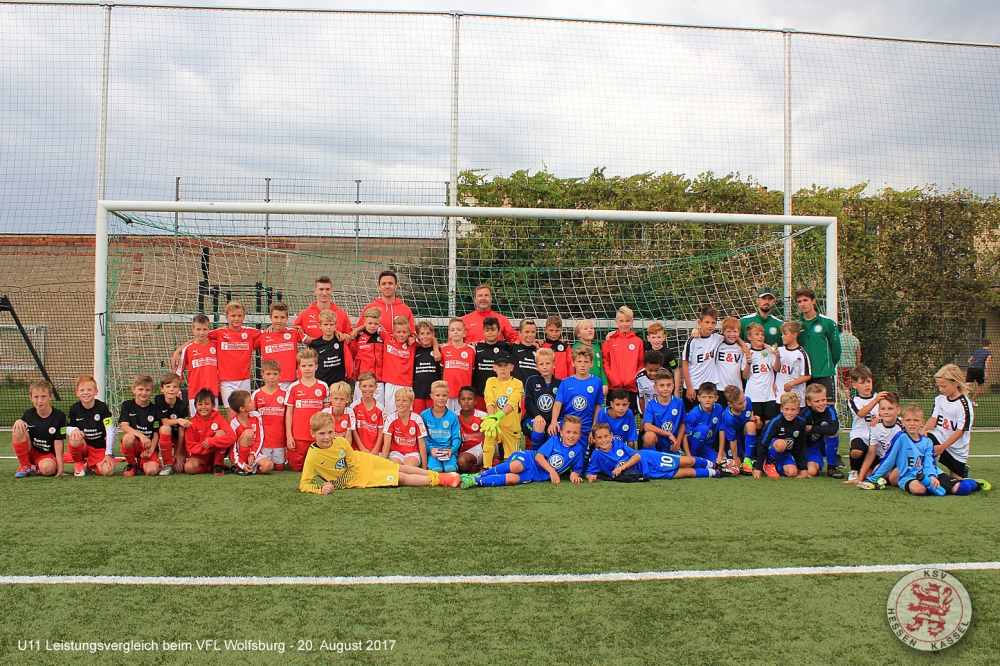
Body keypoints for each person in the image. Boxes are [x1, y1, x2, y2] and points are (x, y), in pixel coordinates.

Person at [299, 412, 460, 493]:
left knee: (399, 467)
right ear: (313, 434)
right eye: (322, 434)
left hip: (365, 461)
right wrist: (320, 489)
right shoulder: (312, 456)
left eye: (330, 432)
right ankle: (441, 480)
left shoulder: (341, 442)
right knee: (401, 478)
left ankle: (440, 476)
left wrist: (335, 484)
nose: (327, 437)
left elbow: (353, 465)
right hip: (362, 478)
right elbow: (305, 484)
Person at [858, 403, 989, 496]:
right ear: (903, 422)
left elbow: (929, 463)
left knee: (960, 490)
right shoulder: (900, 438)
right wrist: (872, 479)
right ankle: (936, 488)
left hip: (930, 473)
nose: (912, 423)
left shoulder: (927, 442)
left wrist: (932, 476)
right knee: (918, 489)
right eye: (908, 420)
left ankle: (976, 484)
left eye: (916, 420)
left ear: (922, 422)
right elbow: (889, 460)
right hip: (908, 477)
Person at [459, 415, 586, 488]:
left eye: (575, 433)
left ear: (580, 435)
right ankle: (480, 474)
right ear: (561, 432)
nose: (571, 436)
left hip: (535, 475)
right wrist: (552, 472)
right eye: (568, 432)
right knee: (516, 466)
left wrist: (575, 474)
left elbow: (577, 468)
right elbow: (539, 457)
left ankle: (474, 481)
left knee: (513, 479)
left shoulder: (578, 450)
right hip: (529, 459)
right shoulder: (554, 440)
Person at [585, 422, 725, 482]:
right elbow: (589, 472)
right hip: (647, 472)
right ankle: (718, 472)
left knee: (687, 461)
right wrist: (590, 477)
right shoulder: (597, 455)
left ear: (611, 435)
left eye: (606, 436)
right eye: (599, 438)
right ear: (594, 440)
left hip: (649, 458)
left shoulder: (617, 443)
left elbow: (637, 456)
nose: (603, 440)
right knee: (687, 472)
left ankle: (715, 464)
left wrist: (622, 467)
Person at [206, 301, 261, 417]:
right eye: (233, 315)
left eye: (239, 315)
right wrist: (178, 351)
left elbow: (269, 334)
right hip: (226, 381)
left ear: (244, 316)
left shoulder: (250, 332)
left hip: (244, 379)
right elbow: (199, 337)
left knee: (245, 414)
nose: (236, 318)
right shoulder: (219, 333)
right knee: (232, 416)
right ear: (226, 316)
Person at [923, 364, 975, 480]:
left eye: (944, 386)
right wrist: (924, 430)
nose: (941, 389)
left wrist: (942, 447)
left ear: (955, 383)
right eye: (939, 386)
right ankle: (926, 473)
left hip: (956, 448)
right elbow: (934, 418)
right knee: (921, 441)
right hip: (939, 437)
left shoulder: (963, 404)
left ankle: (965, 473)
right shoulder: (940, 398)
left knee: (957, 481)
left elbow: (960, 431)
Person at [794, 286, 841, 406]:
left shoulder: (827, 323)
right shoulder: (797, 326)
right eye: (799, 301)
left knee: (827, 408)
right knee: (806, 409)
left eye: (806, 300)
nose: (803, 304)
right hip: (804, 376)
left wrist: (827, 366)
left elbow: (836, 350)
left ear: (813, 301)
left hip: (823, 374)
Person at [284, 348, 329, 472]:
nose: (307, 368)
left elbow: (326, 414)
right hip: (298, 437)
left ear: (316, 366)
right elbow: (289, 413)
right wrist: (289, 436)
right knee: (296, 468)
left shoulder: (323, 386)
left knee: (318, 468)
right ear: (299, 367)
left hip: (317, 437)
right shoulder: (293, 387)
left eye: (310, 365)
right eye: (304, 366)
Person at [12, 379, 67, 478]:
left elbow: (59, 441)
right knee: (18, 428)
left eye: (43, 396)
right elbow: (22, 433)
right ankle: (25, 466)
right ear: (31, 398)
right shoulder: (28, 414)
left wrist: (61, 467)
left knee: (48, 470)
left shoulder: (59, 416)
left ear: (51, 397)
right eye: (36, 397)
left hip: (46, 455)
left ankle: (35, 467)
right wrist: (18, 421)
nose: (40, 401)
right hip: (31, 451)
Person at [549, 346, 604, 442]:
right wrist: (554, 421)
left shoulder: (596, 382)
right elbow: (558, 403)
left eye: (586, 362)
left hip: (586, 426)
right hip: (567, 423)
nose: (582, 365)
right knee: (552, 432)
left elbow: (598, 406)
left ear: (591, 363)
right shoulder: (565, 382)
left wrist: (594, 427)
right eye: (579, 361)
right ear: (573, 363)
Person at [66, 374, 116, 477]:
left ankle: (89, 464)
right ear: (77, 393)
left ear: (96, 392)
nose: (86, 392)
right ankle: (79, 463)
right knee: (75, 438)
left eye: (89, 389)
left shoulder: (102, 408)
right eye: (82, 390)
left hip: (98, 447)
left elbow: (110, 429)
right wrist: (73, 430)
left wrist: (108, 454)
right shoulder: (74, 409)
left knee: (108, 471)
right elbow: (66, 428)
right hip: (83, 446)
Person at [753, 391, 809, 479]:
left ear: (798, 410)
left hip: (785, 453)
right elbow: (763, 442)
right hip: (772, 450)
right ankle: (768, 463)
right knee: (781, 443)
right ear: (781, 409)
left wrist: (803, 468)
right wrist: (758, 468)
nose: (789, 413)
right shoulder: (775, 422)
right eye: (786, 409)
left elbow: (801, 446)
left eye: (793, 409)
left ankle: (776, 467)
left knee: (792, 473)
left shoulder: (801, 423)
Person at [850, 391, 902, 484]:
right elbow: (871, 454)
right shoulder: (875, 427)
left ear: (898, 410)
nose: (886, 412)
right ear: (878, 410)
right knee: (869, 475)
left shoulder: (903, 426)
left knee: (893, 479)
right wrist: (860, 478)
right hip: (883, 460)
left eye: (890, 408)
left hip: (899, 462)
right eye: (883, 409)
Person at [482, 353, 524, 466]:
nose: (502, 368)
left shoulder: (517, 383)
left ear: (511, 367)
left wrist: (499, 416)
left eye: (506, 365)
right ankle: (486, 467)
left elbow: (513, 403)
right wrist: (492, 418)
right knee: (489, 431)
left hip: (511, 427)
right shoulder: (491, 381)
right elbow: (489, 400)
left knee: (513, 463)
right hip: (497, 424)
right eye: (499, 365)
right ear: (494, 368)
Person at [183, 388, 236, 476]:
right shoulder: (192, 423)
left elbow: (232, 437)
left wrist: (212, 442)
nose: (203, 407)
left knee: (221, 433)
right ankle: (210, 467)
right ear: (195, 406)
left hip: (217, 453)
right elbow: (190, 447)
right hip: (200, 455)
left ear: (213, 405)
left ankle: (218, 464)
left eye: (207, 404)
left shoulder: (219, 418)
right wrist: (208, 446)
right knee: (189, 468)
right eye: (200, 404)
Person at [174, 314, 219, 415]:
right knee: (196, 421)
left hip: (212, 391)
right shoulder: (187, 349)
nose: (201, 333)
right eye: (198, 329)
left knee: (213, 421)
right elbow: (179, 371)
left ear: (209, 329)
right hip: (195, 392)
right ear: (193, 330)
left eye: (204, 329)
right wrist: (177, 389)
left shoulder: (216, 345)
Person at [602, 306, 645, 412]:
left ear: (632, 321)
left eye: (627, 321)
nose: (624, 324)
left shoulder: (638, 342)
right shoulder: (609, 340)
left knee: (629, 416)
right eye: (621, 321)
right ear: (616, 321)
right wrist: (611, 377)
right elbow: (605, 361)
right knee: (612, 415)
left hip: (631, 388)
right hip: (614, 387)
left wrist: (633, 378)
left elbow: (641, 363)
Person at [119, 374, 161, 477]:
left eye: (147, 390)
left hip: (148, 445)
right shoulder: (127, 405)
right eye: (140, 389)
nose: (144, 393)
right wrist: (141, 436)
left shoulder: (155, 409)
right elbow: (125, 426)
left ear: (152, 390)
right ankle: (132, 464)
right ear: (133, 389)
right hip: (135, 443)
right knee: (128, 438)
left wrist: (151, 451)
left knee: (151, 471)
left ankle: (143, 462)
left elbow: (156, 433)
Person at [257, 302, 305, 391]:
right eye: (276, 317)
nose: (279, 321)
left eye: (282, 317)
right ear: (270, 318)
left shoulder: (294, 333)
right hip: (271, 381)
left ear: (287, 318)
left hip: (291, 382)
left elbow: (312, 341)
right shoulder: (263, 335)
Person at [846, 365, 882, 480]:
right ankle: (854, 470)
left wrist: (880, 419)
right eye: (862, 383)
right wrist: (875, 401)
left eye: (869, 381)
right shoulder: (853, 400)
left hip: (876, 437)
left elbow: (887, 413)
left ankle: (866, 469)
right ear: (854, 385)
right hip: (860, 434)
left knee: (870, 475)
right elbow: (861, 413)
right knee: (856, 452)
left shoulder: (879, 397)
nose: (867, 385)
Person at [682, 306, 722, 410]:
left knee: (710, 415)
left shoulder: (717, 338)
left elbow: (732, 335)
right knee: (692, 416)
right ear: (700, 322)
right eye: (707, 322)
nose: (710, 325)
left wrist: (744, 346)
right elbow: (685, 365)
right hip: (694, 387)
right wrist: (689, 387)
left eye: (713, 323)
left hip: (710, 386)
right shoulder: (692, 341)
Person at [353, 270, 416, 336]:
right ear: (379, 287)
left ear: (396, 286)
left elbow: (412, 333)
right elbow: (359, 331)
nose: (387, 286)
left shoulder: (405, 309)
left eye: (390, 283)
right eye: (384, 284)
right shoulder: (370, 308)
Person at [252, 359, 288, 471]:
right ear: (262, 375)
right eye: (268, 374)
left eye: (275, 374)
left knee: (279, 468)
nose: (272, 377)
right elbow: (252, 417)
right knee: (266, 466)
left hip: (279, 441)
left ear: (280, 375)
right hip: (264, 441)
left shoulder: (285, 393)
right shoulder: (257, 394)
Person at [228, 390, 274, 475]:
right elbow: (232, 449)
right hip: (238, 456)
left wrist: (253, 454)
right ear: (242, 408)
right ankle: (240, 466)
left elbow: (259, 438)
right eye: (250, 401)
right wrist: (241, 463)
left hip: (253, 452)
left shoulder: (256, 415)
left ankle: (249, 468)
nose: (253, 401)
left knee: (269, 466)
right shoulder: (233, 423)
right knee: (248, 433)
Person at [292, 275, 352, 340]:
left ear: (332, 290)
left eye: (327, 289)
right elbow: (293, 333)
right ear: (315, 290)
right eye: (321, 289)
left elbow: (351, 337)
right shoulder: (305, 314)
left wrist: (345, 337)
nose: (324, 293)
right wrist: (307, 340)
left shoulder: (342, 315)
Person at [801, 383, 841, 478]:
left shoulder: (830, 410)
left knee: (832, 434)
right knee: (812, 472)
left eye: (823, 400)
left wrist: (812, 428)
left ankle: (831, 467)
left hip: (822, 443)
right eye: (817, 401)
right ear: (809, 402)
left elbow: (833, 428)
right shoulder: (804, 413)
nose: (821, 404)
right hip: (809, 447)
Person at [153, 372, 190, 476]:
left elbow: (182, 430)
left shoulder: (183, 405)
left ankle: (178, 456)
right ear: (162, 389)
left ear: (179, 389)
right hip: (165, 434)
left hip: (178, 436)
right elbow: (164, 422)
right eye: (168, 386)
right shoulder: (159, 399)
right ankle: (167, 463)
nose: (171, 389)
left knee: (179, 469)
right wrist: (178, 420)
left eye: (175, 387)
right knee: (165, 428)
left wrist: (178, 454)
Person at [381, 387, 427, 469]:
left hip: (413, 453)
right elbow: (386, 444)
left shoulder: (417, 419)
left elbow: (422, 444)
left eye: (404, 400)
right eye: (398, 400)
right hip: (396, 453)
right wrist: (382, 466)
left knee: (407, 467)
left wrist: (424, 468)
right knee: (394, 468)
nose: (400, 403)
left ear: (411, 403)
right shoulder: (390, 419)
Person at [682, 382, 727, 465]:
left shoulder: (718, 408)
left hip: (706, 445)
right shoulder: (694, 413)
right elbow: (685, 436)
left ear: (716, 398)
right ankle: (694, 456)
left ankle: (701, 460)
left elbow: (721, 430)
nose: (707, 400)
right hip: (693, 443)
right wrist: (689, 456)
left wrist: (720, 455)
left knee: (716, 463)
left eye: (710, 397)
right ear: (699, 398)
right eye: (704, 397)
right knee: (703, 429)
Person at [742, 322, 778, 426]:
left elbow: (776, 368)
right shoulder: (747, 353)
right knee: (756, 423)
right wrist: (748, 363)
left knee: (769, 423)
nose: (760, 336)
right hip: (753, 394)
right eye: (757, 334)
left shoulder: (769, 351)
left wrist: (777, 356)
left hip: (769, 395)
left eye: (762, 334)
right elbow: (745, 376)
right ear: (749, 337)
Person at [521, 348, 561, 442]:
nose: (545, 367)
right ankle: (537, 451)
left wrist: (554, 421)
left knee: (555, 430)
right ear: (537, 367)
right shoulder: (531, 381)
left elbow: (560, 404)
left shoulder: (560, 383)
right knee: (539, 426)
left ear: (554, 365)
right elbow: (528, 403)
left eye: (548, 363)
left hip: (552, 420)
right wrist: (537, 415)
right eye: (541, 364)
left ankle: (551, 451)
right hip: (533, 418)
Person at [421, 381, 461, 473]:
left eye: (444, 395)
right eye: (437, 395)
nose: (441, 398)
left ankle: (452, 462)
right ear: (431, 396)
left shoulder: (453, 416)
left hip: (448, 452)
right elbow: (423, 438)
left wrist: (451, 450)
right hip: (432, 452)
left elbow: (457, 438)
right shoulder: (424, 415)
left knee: (450, 469)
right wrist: (431, 449)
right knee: (437, 470)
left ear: (448, 396)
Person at [472, 317, 510, 411]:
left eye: (493, 330)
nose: (490, 332)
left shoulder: (505, 347)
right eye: (487, 330)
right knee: (481, 418)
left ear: (499, 332)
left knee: (497, 417)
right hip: (480, 391)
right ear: (483, 332)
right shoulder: (476, 347)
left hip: (500, 393)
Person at [642, 371, 686, 452]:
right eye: (662, 385)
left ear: (673, 386)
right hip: (659, 439)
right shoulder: (651, 404)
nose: (665, 388)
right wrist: (668, 433)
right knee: (649, 436)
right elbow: (647, 426)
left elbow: (683, 423)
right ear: (655, 387)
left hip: (672, 441)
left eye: (668, 385)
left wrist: (678, 442)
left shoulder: (679, 402)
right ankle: (652, 457)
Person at [713, 317, 751, 409]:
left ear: (739, 332)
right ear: (723, 331)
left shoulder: (743, 348)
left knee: (737, 414)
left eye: (735, 331)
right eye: (729, 331)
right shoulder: (717, 344)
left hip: (737, 389)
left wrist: (744, 346)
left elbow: (760, 345)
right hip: (721, 388)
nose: (732, 334)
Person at [719, 385, 758, 474]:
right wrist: (735, 459)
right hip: (733, 438)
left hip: (744, 433)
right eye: (740, 403)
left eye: (744, 401)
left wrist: (754, 418)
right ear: (730, 404)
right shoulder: (728, 417)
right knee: (738, 468)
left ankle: (747, 460)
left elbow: (750, 413)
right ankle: (741, 459)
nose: (744, 404)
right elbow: (732, 440)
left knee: (751, 425)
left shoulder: (748, 401)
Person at [440, 317, 475, 413]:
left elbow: (472, 370)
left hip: (464, 394)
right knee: (448, 417)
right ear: (449, 333)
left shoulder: (471, 350)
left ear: (464, 333)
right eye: (452, 330)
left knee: (463, 417)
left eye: (459, 330)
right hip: (448, 393)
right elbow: (442, 368)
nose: (455, 332)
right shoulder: (444, 349)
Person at [351, 307, 385, 405]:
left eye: (376, 324)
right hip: (362, 380)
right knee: (359, 407)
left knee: (379, 408)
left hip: (378, 381)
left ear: (379, 323)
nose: (373, 326)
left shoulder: (383, 337)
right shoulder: (358, 337)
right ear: (364, 322)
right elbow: (352, 354)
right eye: (370, 323)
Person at [381, 316, 416, 413]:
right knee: (390, 414)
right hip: (390, 383)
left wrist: (413, 336)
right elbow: (376, 325)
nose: (401, 334)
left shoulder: (413, 344)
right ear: (393, 332)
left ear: (409, 332)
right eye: (399, 332)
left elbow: (429, 339)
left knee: (406, 414)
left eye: (404, 332)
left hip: (406, 384)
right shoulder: (387, 338)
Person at [773, 321, 812, 407]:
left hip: (795, 397)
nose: (782, 336)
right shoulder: (780, 350)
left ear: (794, 335)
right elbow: (776, 369)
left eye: (785, 334)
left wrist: (791, 384)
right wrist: (777, 357)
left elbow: (807, 375)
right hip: (780, 396)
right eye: (782, 334)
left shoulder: (801, 353)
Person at [309, 309, 350, 387]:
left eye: (331, 324)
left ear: (336, 326)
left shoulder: (341, 341)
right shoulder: (314, 344)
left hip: (338, 385)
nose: (328, 327)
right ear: (319, 325)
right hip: (321, 384)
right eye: (325, 324)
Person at [412, 321, 442, 413]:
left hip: (434, 395)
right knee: (419, 418)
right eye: (422, 334)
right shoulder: (414, 350)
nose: (425, 336)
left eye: (428, 333)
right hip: (418, 393)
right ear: (417, 336)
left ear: (433, 334)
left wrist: (436, 348)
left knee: (433, 418)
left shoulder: (439, 351)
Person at [572, 319, 608, 395]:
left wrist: (605, 383)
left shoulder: (597, 349)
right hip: (581, 385)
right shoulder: (576, 348)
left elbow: (601, 368)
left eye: (591, 328)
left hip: (596, 385)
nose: (590, 330)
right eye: (586, 328)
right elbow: (572, 369)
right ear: (578, 334)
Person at [351, 372, 384, 454]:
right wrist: (362, 448)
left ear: (376, 387)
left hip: (375, 451)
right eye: (364, 386)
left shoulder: (381, 409)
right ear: (359, 386)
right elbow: (353, 430)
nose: (367, 389)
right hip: (358, 449)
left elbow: (381, 431)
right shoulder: (353, 407)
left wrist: (376, 448)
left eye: (371, 386)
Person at [457, 386, 487, 472]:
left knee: (462, 461)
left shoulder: (483, 416)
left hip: (480, 448)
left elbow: (488, 439)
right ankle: (475, 466)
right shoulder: (454, 416)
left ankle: (485, 463)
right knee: (458, 463)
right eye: (463, 399)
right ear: (458, 401)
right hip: (464, 451)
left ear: (475, 401)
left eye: (469, 399)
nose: (466, 402)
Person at [643, 322, 681, 390]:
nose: (656, 340)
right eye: (653, 337)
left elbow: (676, 370)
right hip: (648, 385)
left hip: (664, 386)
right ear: (648, 338)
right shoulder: (645, 347)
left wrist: (677, 390)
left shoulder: (668, 353)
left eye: (659, 337)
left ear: (664, 337)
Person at [541, 315, 572, 379]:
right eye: (551, 330)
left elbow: (570, 366)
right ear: (545, 330)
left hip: (562, 381)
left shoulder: (566, 347)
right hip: (544, 381)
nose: (554, 334)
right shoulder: (541, 346)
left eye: (557, 331)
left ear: (561, 330)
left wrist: (570, 381)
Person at [509, 318, 540, 385]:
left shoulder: (538, 351)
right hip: (516, 388)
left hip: (533, 389)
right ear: (520, 333)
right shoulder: (513, 348)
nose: (530, 335)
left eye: (533, 332)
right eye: (527, 332)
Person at [635, 350, 663, 415]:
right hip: (648, 409)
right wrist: (644, 415)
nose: (653, 373)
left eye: (656, 370)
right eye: (650, 370)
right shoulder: (640, 378)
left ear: (660, 367)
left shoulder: (665, 375)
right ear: (645, 367)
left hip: (662, 407)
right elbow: (641, 397)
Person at [837, 323, 862, 392]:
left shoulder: (838, 338)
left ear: (842, 328)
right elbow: (858, 354)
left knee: (838, 384)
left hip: (839, 365)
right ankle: (847, 396)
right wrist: (857, 365)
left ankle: (840, 395)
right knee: (847, 385)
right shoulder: (855, 339)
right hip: (851, 365)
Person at [967, 339, 992, 406]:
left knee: (967, 384)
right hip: (979, 370)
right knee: (980, 386)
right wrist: (986, 372)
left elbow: (969, 360)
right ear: (989, 345)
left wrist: (972, 366)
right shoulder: (988, 353)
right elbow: (987, 363)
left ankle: (966, 398)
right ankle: (973, 401)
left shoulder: (977, 351)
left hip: (971, 368)